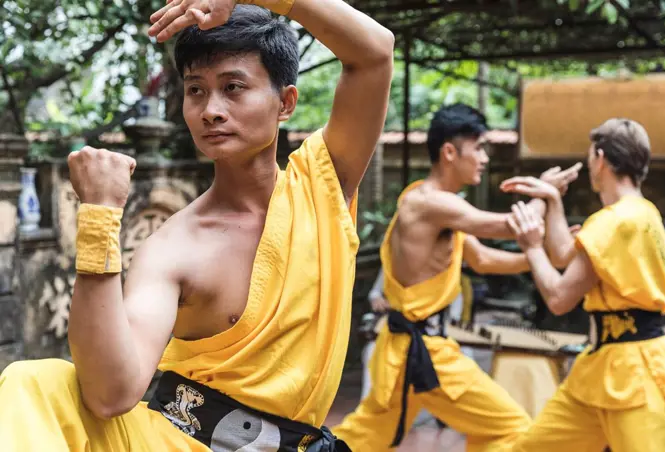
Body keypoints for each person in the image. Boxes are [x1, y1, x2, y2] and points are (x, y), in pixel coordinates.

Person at [0, 1, 394, 451]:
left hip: (296, 441)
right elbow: (111, 393)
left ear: (284, 103)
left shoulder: (323, 188)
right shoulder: (172, 247)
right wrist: (99, 219)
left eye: (233, 87)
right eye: (196, 91)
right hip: (176, 442)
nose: (211, 110)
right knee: (36, 383)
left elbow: (374, 53)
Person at [332, 103, 581, 451]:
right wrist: (543, 192)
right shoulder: (429, 204)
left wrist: (538, 260)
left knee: (366, 434)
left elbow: (482, 259)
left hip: (409, 350)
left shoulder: (441, 206)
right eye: (478, 148)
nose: (484, 158)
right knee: (510, 426)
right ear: (450, 151)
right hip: (425, 351)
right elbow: (509, 225)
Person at [502, 118, 665, 452]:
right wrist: (554, 201)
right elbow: (564, 257)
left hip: (632, 373)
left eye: (589, 159)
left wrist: (531, 246)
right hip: (603, 366)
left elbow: (558, 298)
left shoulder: (614, 222)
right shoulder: (642, 214)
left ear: (600, 158)